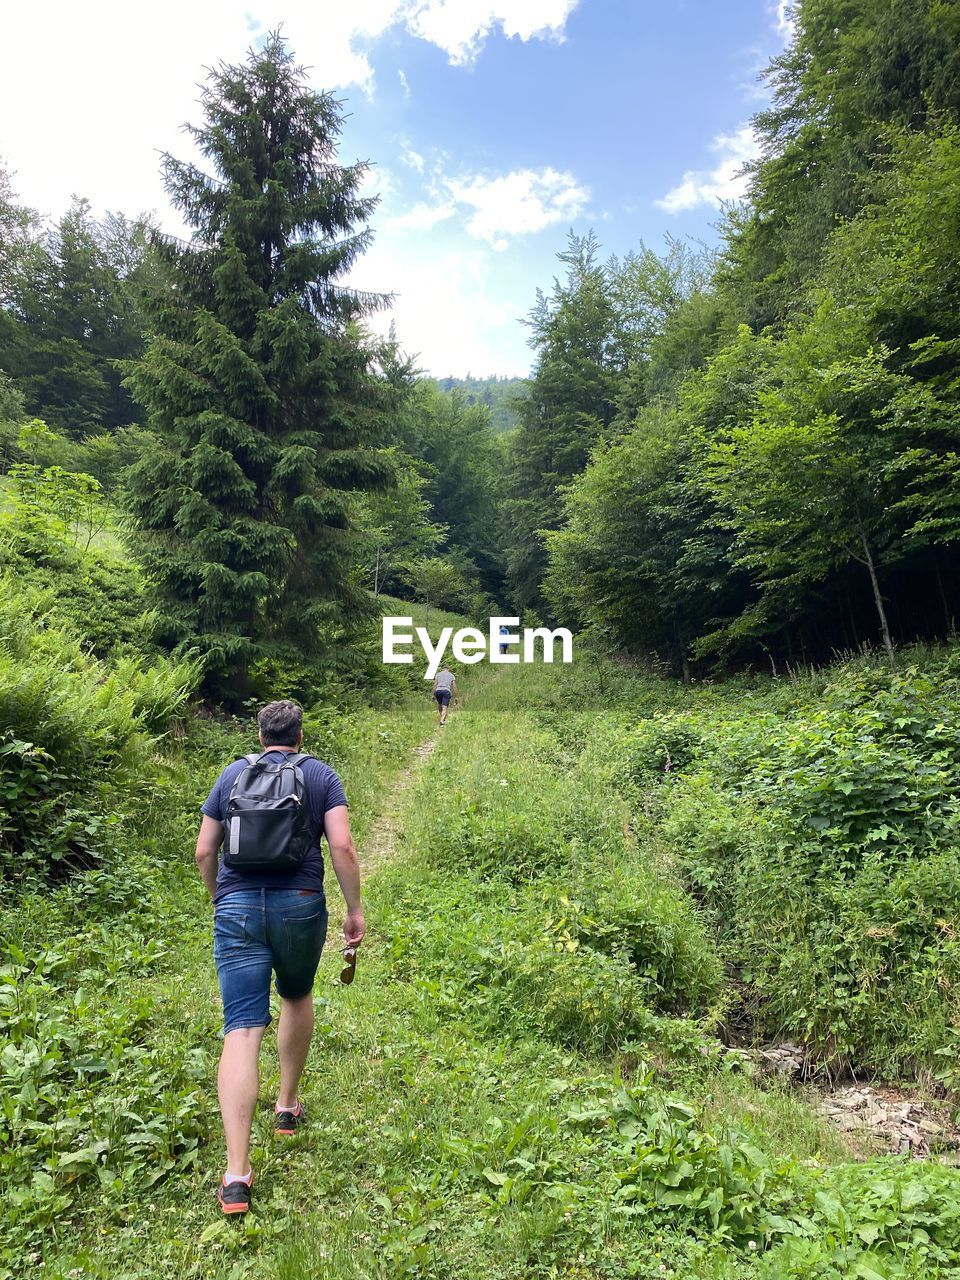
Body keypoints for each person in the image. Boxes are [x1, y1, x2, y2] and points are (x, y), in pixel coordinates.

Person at [195, 699, 365, 1215]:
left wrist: (219, 897)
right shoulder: (320, 776)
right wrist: (354, 910)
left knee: (242, 1029)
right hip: (300, 905)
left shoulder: (231, 774)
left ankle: (235, 1176)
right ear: (300, 736)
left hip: (238, 908)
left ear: (259, 731)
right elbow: (342, 847)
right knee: (296, 995)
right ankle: (286, 1108)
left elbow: (205, 851)